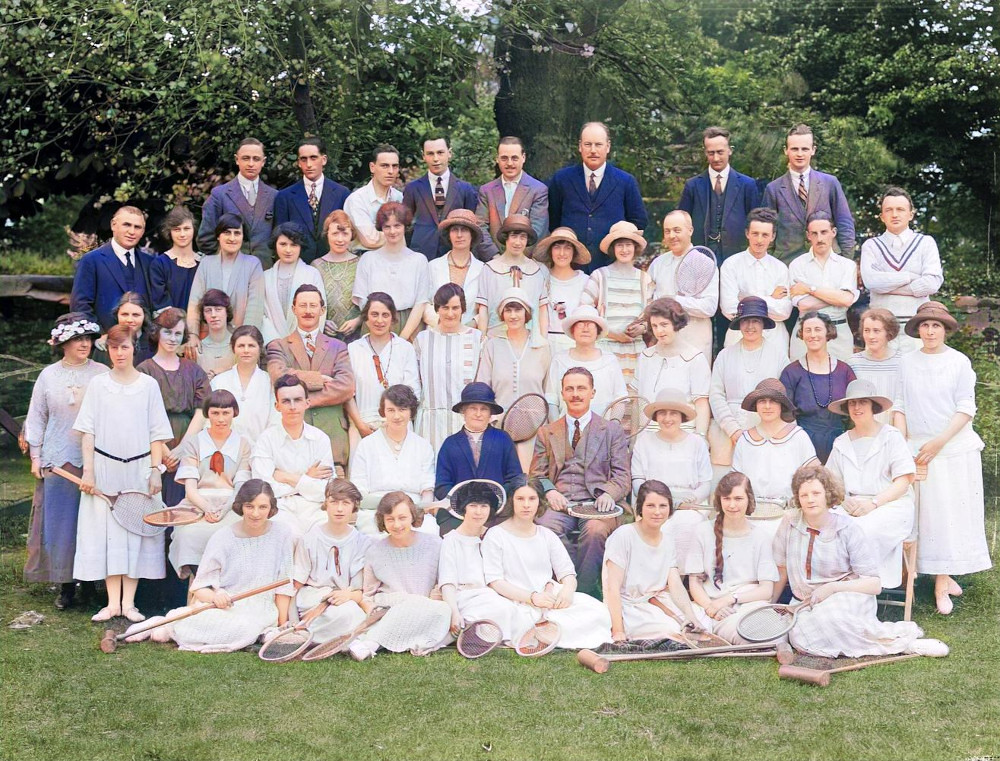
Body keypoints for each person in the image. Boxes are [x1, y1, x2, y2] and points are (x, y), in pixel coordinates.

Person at [772, 465, 945, 658]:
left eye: (816, 493)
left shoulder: (847, 529)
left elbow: (874, 584)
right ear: (797, 498)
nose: (810, 499)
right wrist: (770, 603)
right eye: (804, 495)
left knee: (830, 620)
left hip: (847, 595)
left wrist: (831, 588)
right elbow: (781, 568)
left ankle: (902, 644)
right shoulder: (790, 522)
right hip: (804, 603)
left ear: (828, 494)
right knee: (800, 635)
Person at [893, 301, 991, 614]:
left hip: (952, 447)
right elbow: (900, 406)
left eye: (936, 326)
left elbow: (965, 408)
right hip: (918, 449)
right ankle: (925, 574)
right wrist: (901, 447)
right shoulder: (906, 362)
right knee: (923, 515)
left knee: (949, 514)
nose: (931, 331)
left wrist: (939, 442)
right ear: (918, 329)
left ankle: (942, 582)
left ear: (945, 329)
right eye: (925, 325)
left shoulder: (959, 362)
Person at [124, 480, 297, 653]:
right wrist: (215, 597)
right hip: (225, 608)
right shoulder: (223, 537)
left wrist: (281, 625)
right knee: (238, 626)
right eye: (249, 506)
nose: (256, 513)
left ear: (271, 508)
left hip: (262, 610)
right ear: (240, 507)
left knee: (248, 627)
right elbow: (199, 588)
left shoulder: (283, 534)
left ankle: (173, 629)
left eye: (263, 507)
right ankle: (167, 623)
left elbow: (284, 585)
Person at [73, 324, 172, 623]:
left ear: (134, 348)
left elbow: (157, 433)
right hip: (104, 469)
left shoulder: (148, 386)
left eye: (125, 347)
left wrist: (155, 471)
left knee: (135, 532)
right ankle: (111, 603)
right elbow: (87, 431)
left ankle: (129, 604)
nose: (119, 353)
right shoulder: (98, 385)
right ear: (108, 349)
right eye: (114, 347)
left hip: (140, 470)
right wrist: (89, 471)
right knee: (108, 533)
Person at [24, 313, 107, 608]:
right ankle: (65, 586)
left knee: (93, 522)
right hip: (58, 459)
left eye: (87, 339)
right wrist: (36, 456)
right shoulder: (48, 375)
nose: (84, 344)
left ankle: (92, 586)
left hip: (94, 459)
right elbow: (37, 418)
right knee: (62, 523)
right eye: (77, 339)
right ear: (62, 343)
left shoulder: (101, 372)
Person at [532, 367, 630, 596]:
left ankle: (586, 594)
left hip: (597, 506)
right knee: (546, 527)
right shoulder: (547, 432)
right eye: (570, 389)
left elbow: (623, 475)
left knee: (596, 531)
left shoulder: (611, 430)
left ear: (592, 392)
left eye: (581, 388)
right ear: (563, 393)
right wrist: (549, 491)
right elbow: (536, 474)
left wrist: (608, 493)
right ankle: (564, 587)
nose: (575, 394)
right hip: (561, 504)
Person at [482, 479, 612, 649]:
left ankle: (543, 632)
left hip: (550, 599)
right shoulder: (496, 535)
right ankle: (538, 632)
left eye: (532, 499)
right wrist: (532, 598)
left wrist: (567, 591)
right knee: (507, 616)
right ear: (511, 501)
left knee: (598, 611)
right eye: (520, 499)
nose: (526, 505)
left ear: (539, 502)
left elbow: (567, 573)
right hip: (515, 600)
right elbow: (495, 582)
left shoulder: (546, 535)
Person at [826, 380, 916, 588]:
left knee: (861, 530)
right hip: (851, 504)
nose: (857, 408)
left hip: (890, 503)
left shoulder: (891, 436)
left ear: (873, 406)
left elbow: (903, 481)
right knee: (828, 527)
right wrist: (844, 500)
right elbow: (831, 482)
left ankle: (862, 586)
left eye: (862, 402)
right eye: (852, 404)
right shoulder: (841, 442)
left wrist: (873, 503)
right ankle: (835, 586)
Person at [266, 284, 355, 475]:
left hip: (333, 440)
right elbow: (278, 375)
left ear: (322, 310)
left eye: (313, 306)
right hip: (292, 445)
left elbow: (346, 386)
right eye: (303, 305)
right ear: (294, 309)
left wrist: (301, 402)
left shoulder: (338, 347)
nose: (308, 311)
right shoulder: (279, 346)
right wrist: (316, 379)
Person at [604, 480, 710, 641]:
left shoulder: (667, 540)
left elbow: (675, 584)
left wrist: (691, 616)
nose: (657, 512)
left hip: (657, 600)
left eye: (663, 506)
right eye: (650, 506)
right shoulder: (623, 536)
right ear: (640, 507)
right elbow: (611, 588)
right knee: (669, 630)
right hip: (629, 606)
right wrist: (618, 631)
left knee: (703, 621)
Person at [351, 492, 452, 660]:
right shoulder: (375, 551)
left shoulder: (435, 544)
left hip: (424, 607)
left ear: (413, 516)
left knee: (443, 610)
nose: (396, 525)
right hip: (390, 605)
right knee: (407, 601)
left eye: (402, 518)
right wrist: (372, 611)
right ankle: (371, 644)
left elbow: (442, 584)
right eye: (390, 519)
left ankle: (375, 641)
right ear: (382, 520)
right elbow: (369, 594)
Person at [684, 472, 779, 644]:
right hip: (715, 607)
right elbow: (694, 583)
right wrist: (711, 608)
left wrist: (731, 599)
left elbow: (766, 590)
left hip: (750, 603)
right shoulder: (702, 531)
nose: (732, 505)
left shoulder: (761, 536)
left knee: (777, 632)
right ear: (719, 501)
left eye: (738, 498)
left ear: (749, 499)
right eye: (727, 499)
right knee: (748, 636)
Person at [167, 390, 252, 579]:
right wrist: (207, 508)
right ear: (207, 414)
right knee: (187, 535)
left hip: (230, 505)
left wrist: (223, 510)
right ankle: (201, 585)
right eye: (215, 413)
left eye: (226, 413)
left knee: (233, 534)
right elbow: (190, 489)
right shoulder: (194, 443)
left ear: (234, 412)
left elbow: (240, 488)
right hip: (197, 504)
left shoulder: (243, 445)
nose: (221, 419)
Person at [547, 121, 648, 272]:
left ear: (608, 146)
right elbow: (553, 220)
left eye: (598, 144)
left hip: (610, 267)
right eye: (588, 144)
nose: (593, 150)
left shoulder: (625, 181)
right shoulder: (562, 179)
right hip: (571, 268)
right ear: (580, 146)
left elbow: (639, 221)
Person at [137, 308, 210, 507]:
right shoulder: (144, 370)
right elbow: (139, 415)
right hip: (153, 444)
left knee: (183, 503)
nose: (172, 338)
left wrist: (182, 449)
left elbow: (201, 410)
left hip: (188, 442)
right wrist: (164, 450)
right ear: (157, 333)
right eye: (167, 332)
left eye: (178, 333)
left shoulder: (193, 369)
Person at [630, 390, 712, 564]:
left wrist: (690, 500)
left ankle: (681, 581)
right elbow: (637, 481)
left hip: (688, 505)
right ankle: (655, 581)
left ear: (682, 416)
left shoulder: (696, 443)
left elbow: (706, 483)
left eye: (673, 413)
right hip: (653, 503)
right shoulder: (644, 441)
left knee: (686, 525)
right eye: (662, 413)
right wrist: (659, 500)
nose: (667, 418)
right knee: (658, 526)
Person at [708, 297, 789, 471]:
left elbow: (783, 397)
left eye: (755, 321)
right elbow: (716, 394)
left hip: (766, 430)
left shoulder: (778, 355)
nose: (750, 326)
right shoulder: (725, 355)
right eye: (745, 321)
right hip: (727, 430)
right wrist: (733, 430)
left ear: (763, 325)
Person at [439, 480, 525, 643]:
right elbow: (447, 582)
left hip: (495, 595)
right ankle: (462, 631)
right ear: (464, 508)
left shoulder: (495, 536)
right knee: (502, 609)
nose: (478, 512)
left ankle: (474, 633)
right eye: (473, 505)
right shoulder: (451, 540)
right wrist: (454, 612)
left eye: (484, 506)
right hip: (464, 597)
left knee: (512, 610)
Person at [860, 187, 943, 354]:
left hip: (916, 328)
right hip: (879, 328)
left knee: (916, 378)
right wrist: (910, 277)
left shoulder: (925, 243)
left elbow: (932, 283)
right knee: (880, 378)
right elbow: (871, 282)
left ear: (911, 214)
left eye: (900, 209)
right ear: (882, 216)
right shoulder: (871, 245)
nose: (894, 214)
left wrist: (888, 285)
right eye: (888, 210)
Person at [433, 383, 524, 535]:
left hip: (497, 513)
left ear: (490, 414)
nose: (478, 414)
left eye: (484, 409)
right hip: (459, 514)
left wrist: (494, 500)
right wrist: (465, 504)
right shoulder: (450, 443)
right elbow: (442, 485)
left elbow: (515, 478)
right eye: (473, 408)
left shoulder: (502, 439)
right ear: (463, 411)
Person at [348, 385, 438, 536]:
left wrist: (414, 511)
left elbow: (427, 491)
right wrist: (388, 507)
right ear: (383, 412)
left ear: (411, 412)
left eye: (402, 409)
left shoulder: (423, 446)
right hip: (374, 512)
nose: (396, 416)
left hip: (413, 512)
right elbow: (358, 492)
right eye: (391, 410)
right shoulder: (367, 445)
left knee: (429, 531)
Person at [250, 375, 334, 535]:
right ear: (277, 406)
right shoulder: (266, 440)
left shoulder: (320, 438)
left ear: (307, 403)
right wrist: (307, 478)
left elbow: (325, 490)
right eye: (286, 401)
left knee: (322, 534)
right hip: (279, 507)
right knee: (286, 534)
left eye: (298, 400)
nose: (293, 406)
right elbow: (264, 490)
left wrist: (287, 477)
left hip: (314, 506)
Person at [731, 379, 818, 532]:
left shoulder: (798, 436)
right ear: (756, 406)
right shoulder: (745, 440)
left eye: (773, 401)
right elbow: (736, 482)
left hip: (789, 514)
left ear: (781, 406)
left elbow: (813, 477)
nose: (767, 406)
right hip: (752, 514)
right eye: (762, 401)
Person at [762, 124, 856, 266]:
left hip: (827, 262)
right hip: (788, 263)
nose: (800, 154)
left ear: (813, 150)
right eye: (794, 149)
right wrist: (770, 264)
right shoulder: (773, 189)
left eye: (805, 149)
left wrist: (846, 262)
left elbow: (845, 223)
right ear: (786, 151)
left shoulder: (829, 183)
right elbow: (767, 231)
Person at [291, 479, 371, 643]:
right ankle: (302, 632)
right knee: (348, 615)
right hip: (313, 599)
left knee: (352, 614)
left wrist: (347, 595)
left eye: (346, 503)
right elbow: (295, 586)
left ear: (354, 506)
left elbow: (357, 591)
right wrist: (290, 620)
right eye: (334, 502)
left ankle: (310, 636)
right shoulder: (309, 539)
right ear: (326, 503)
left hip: (343, 599)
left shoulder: (362, 542)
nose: (339, 509)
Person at [345, 292, 421, 448]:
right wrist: (360, 426)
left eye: (385, 315)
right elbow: (347, 394)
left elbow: (413, 392)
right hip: (363, 427)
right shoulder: (353, 349)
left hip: (399, 426)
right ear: (366, 317)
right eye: (374, 314)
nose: (379, 320)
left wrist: (394, 421)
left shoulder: (405, 348)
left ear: (392, 318)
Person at [676, 126, 761, 264]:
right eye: (711, 153)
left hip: (737, 258)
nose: (716, 158)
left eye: (720, 152)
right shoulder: (692, 186)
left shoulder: (748, 185)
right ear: (705, 153)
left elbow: (756, 224)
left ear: (730, 150)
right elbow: (681, 222)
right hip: (700, 257)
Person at [780, 311, 857, 463]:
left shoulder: (844, 371)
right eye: (808, 330)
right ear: (802, 334)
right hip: (802, 445)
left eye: (818, 329)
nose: (812, 335)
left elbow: (855, 410)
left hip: (841, 445)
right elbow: (785, 414)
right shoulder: (791, 372)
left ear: (828, 332)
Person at [414, 284, 482, 451]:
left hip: (465, 423)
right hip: (430, 424)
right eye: (445, 308)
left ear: (463, 309)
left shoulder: (476, 339)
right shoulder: (423, 340)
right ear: (437, 309)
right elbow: (416, 382)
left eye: (455, 308)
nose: (450, 313)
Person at [580, 221, 652, 380]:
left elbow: (651, 317)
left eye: (628, 245)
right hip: (605, 349)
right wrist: (612, 334)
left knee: (634, 399)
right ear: (613, 248)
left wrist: (642, 328)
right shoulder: (600, 276)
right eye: (620, 245)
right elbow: (584, 312)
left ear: (635, 248)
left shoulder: (644, 279)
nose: (624, 250)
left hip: (636, 352)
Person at [630, 297, 710, 435]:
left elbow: (701, 404)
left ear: (676, 324)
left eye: (664, 324)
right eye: (654, 326)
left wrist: (701, 437)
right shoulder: (645, 357)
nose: (659, 331)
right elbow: (637, 402)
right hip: (647, 434)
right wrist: (633, 438)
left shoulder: (695, 358)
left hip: (683, 435)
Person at [351, 202, 430, 340]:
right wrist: (378, 326)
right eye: (387, 227)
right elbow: (363, 301)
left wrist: (403, 339)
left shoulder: (419, 260)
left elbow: (420, 303)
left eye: (397, 226)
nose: (392, 231)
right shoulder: (368, 259)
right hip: (374, 324)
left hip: (409, 325)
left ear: (405, 226)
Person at [647, 210, 719, 361]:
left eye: (677, 230)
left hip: (695, 344)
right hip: (663, 347)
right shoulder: (657, 264)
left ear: (690, 230)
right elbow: (648, 301)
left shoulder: (705, 263)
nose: (672, 235)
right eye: (667, 231)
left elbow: (709, 307)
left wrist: (674, 301)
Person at [788, 212, 860, 361]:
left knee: (840, 381)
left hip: (839, 334)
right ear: (808, 235)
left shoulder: (847, 265)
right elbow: (803, 305)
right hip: (805, 333)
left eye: (824, 232)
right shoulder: (797, 264)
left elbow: (846, 301)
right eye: (814, 233)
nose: (819, 239)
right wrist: (837, 296)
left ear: (833, 232)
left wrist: (810, 289)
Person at [197, 137, 277, 270]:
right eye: (246, 158)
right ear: (236, 159)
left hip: (265, 272)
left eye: (256, 159)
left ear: (263, 162)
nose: (251, 164)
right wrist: (226, 261)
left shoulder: (275, 196)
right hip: (229, 271)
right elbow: (205, 239)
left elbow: (280, 238)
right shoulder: (220, 195)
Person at [719, 207, 792, 351]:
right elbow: (729, 308)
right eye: (755, 234)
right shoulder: (731, 265)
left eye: (765, 235)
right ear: (747, 233)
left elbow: (784, 312)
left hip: (775, 341)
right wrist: (770, 298)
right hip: (738, 339)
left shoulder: (780, 268)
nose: (759, 240)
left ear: (773, 236)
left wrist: (745, 300)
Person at [71, 205, 155, 330]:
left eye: (137, 227)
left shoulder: (150, 262)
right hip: (105, 344)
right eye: (126, 225)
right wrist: (99, 336)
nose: (132, 231)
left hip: (143, 345)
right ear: (113, 225)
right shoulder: (91, 260)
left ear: (142, 231)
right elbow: (80, 306)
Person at [185, 214, 265, 345]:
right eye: (227, 233)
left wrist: (246, 339)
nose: (232, 238)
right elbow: (195, 303)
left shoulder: (252, 264)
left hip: (241, 342)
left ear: (243, 236)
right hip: (208, 340)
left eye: (237, 233)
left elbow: (255, 308)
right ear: (218, 236)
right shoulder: (206, 263)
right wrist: (193, 335)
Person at [273, 137, 351, 264]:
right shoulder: (285, 196)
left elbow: (347, 233)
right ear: (298, 162)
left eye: (313, 158)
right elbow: (279, 239)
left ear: (324, 159)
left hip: (333, 265)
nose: (308, 164)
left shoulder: (342, 193)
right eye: (304, 159)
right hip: (298, 266)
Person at [401, 134, 479, 260]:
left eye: (440, 152)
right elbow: (404, 223)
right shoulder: (413, 188)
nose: (436, 159)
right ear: (423, 156)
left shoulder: (465, 189)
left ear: (449, 153)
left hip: (455, 254)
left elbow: (473, 226)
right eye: (430, 153)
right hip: (421, 254)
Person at [476, 214, 551, 341]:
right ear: (506, 238)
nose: (517, 242)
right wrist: (482, 340)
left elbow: (542, 310)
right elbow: (483, 309)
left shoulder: (537, 270)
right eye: (514, 236)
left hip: (528, 341)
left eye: (522, 237)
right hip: (496, 338)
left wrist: (543, 341)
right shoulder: (489, 269)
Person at [475, 136, 549, 260]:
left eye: (514, 158)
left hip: (527, 263)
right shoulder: (486, 190)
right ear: (497, 159)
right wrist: (495, 257)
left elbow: (538, 230)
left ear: (523, 158)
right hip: (494, 261)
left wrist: (517, 259)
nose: (509, 163)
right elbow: (480, 226)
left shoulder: (538, 190)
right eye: (504, 158)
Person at [546, 306, 626, 420]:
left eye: (590, 325)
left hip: (602, 433)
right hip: (566, 432)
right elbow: (551, 399)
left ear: (598, 331)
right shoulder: (559, 360)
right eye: (580, 325)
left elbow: (620, 399)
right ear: (573, 330)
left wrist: (612, 427)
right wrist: (557, 429)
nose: (585, 329)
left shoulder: (610, 361)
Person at [261, 222, 326, 345]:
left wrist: (307, 341)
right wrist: (274, 342)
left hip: (305, 344)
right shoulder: (265, 277)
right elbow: (262, 313)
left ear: (301, 247)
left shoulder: (312, 274)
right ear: (275, 245)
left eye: (294, 245)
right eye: (283, 244)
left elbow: (320, 311)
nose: (288, 250)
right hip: (273, 346)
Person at [210, 325, 279, 441]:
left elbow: (275, 421)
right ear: (233, 348)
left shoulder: (269, 382)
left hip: (261, 450)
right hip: (225, 449)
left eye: (251, 346)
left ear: (259, 348)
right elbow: (209, 419)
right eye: (241, 346)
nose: (246, 350)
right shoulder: (219, 381)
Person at [533, 227, 591, 353]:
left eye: (567, 248)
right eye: (557, 247)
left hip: (576, 345)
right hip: (545, 345)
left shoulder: (586, 281)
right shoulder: (540, 278)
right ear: (550, 251)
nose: (562, 253)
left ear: (574, 252)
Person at [424, 209, 484, 328]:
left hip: (469, 336)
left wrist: (468, 327)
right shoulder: (433, 266)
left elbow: (486, 308)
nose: (459, 235)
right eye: (454, 230)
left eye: (465, 230)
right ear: (449, 235)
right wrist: (443, 325)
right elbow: (424, 303)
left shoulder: (483, 270)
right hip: (436, 334)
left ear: (472, 235)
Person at [343, 144, 404, 252]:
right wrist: (399, 236)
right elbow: (370, 240)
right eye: (384, 166)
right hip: (363, 259)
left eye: (394, 166)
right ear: (372, 167)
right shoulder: (357, 199)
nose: (390, 171)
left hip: (395, 258)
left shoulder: (399, 197)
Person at [846, 308, 902, 425]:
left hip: (895, 426)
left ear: (889, 332)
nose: (871, 336)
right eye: (867, 330)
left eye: (876, 331)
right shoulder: (853, 363)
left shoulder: (902, 362)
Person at [313, 210, 362, 342]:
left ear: (351, 235)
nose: (340, 239)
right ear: (327, 234)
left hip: (357, 335)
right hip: (327, 338)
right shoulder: (316, 265)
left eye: (345, 233)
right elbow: (311, 301)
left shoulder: (361, 264)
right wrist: (321, 321)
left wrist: (358, 320)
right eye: (335, 233)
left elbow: (371, 299)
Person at [150, 206, 201, 313]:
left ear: (194, 230)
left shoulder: (203, 263)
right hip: (171, 326)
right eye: (177, 229)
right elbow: (160, 303)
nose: (182, 234)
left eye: (186, 229)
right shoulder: (160, 264)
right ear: (169, 232)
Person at [91, 291, 153, 367]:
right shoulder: (105, 345)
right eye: (124, 314)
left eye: (136, 315)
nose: (130, 320)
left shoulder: (154, 344)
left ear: (144, 316)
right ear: (117, 315)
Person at [194, 289, 235, 380]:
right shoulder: (198, 349)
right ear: (203, 315)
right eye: (208, 310)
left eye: (218, 309)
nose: (213, 315)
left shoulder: (238, 346)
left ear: (226, 312)